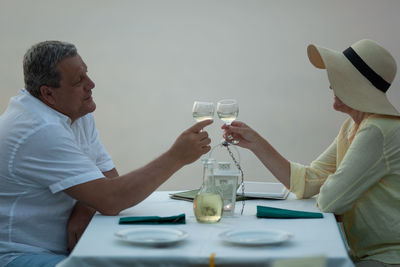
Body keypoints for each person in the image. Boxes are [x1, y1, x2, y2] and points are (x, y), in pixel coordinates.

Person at [0, 40, 213, 267]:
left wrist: (85, 207)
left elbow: (108, 178)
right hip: (19, 255)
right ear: (48, 93)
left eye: (87, 74)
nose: (91, 84)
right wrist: (175, 157)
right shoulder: (39, 130)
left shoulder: (76, 112)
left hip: (65, 248)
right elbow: (112, 199)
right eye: (78, 81)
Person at [222, 39, 400, 266]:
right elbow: (307, 181)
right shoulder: (353, 127)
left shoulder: (377, 131)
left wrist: (335, 187)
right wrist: (256, 143)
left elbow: (329, 200)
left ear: (355, 84)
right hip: (363, 253)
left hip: (387, 257)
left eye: (338, 77)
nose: (330, 86)